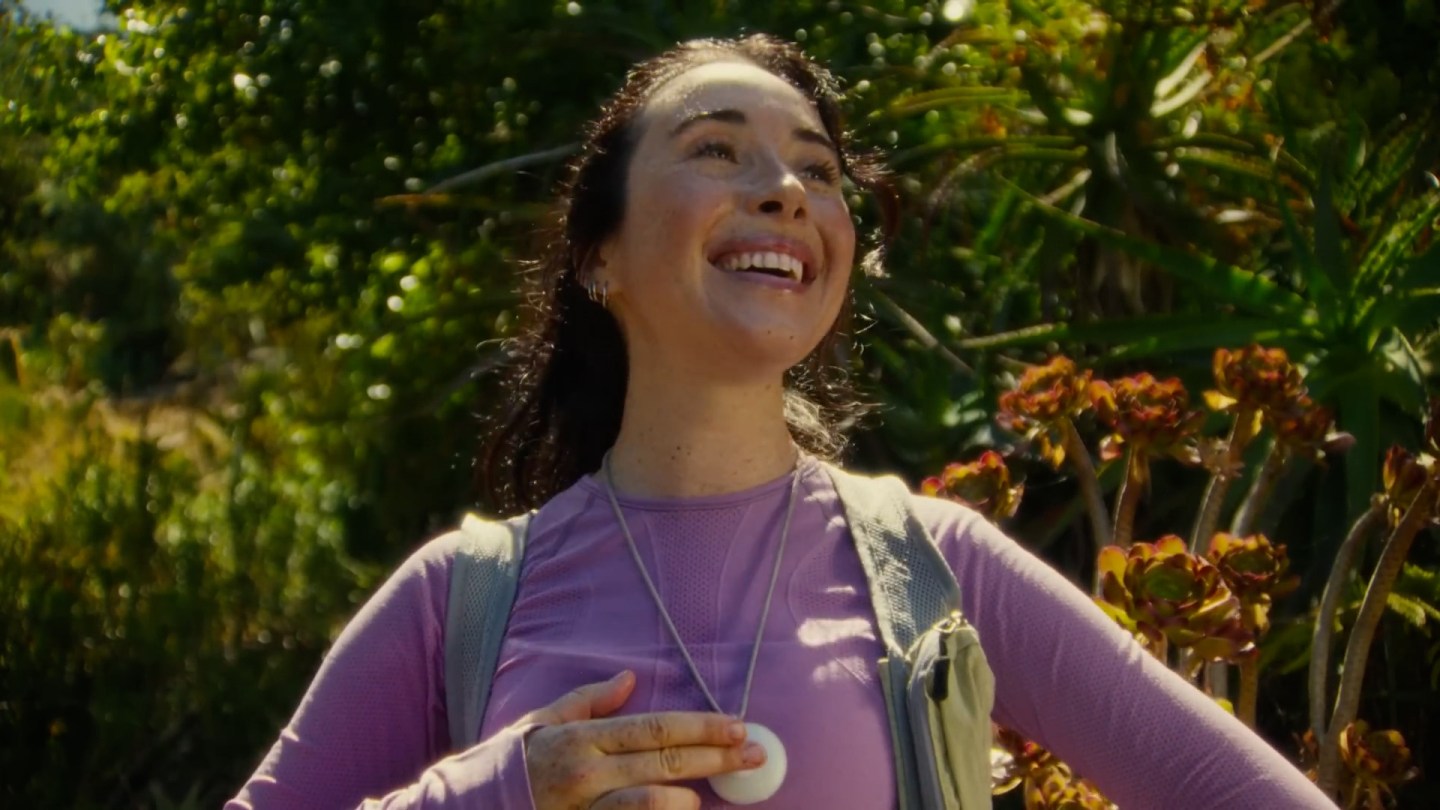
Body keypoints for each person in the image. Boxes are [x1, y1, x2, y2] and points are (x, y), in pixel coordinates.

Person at [228, 34, 1333, 810]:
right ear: (595, 255)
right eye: (716, 149)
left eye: (817, 168)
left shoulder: (935, 569)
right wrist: (493, 796)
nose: (787, 190)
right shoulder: (458, 599)